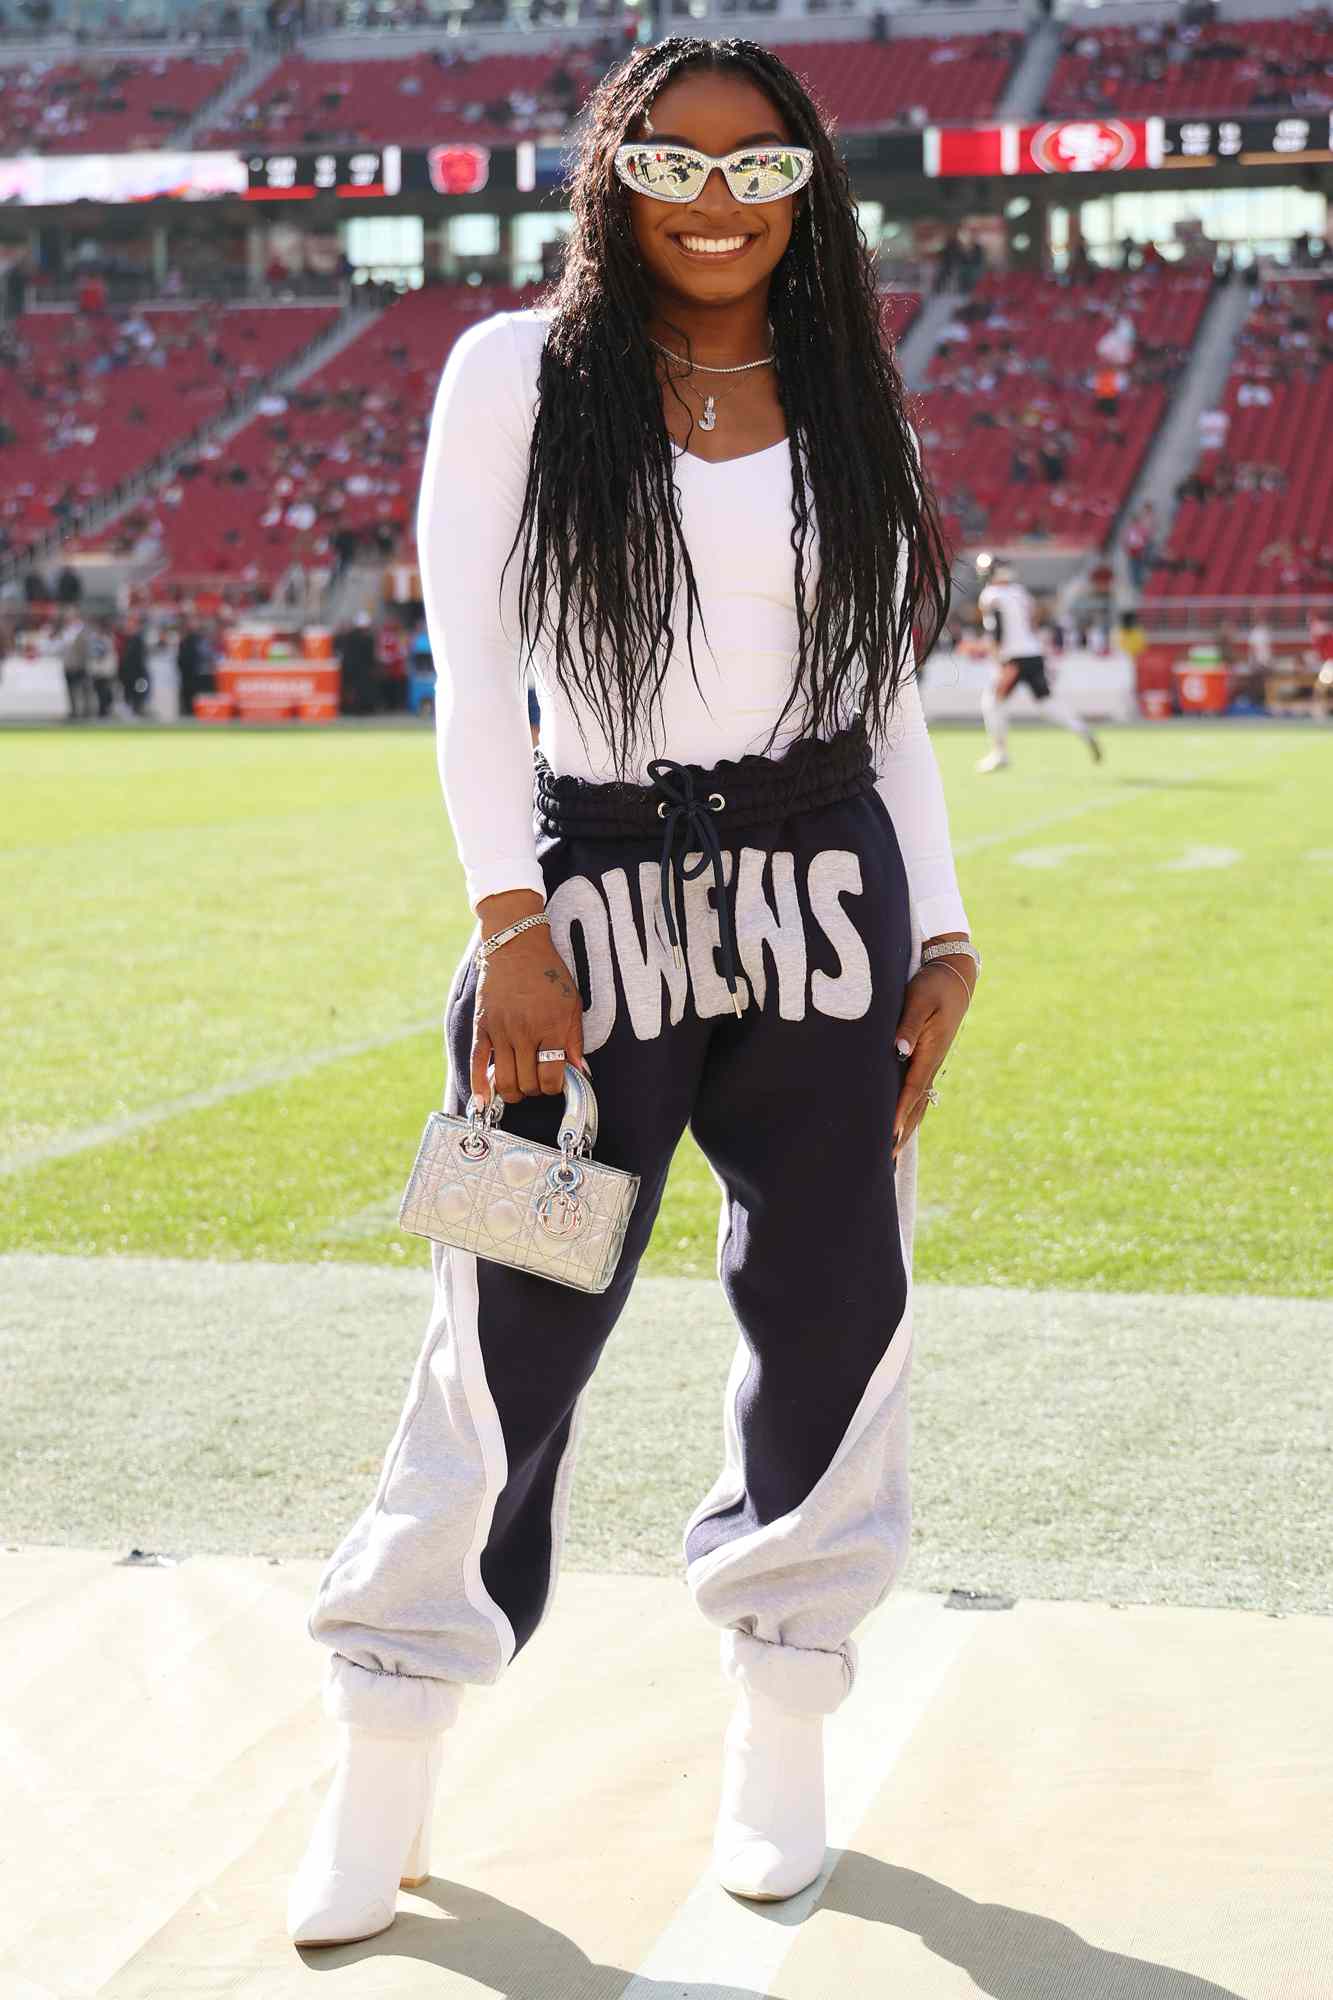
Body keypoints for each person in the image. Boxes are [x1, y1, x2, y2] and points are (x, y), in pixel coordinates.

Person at [288, 36, 979, 1952]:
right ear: (615, 169)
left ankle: (780, 1727)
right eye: (676, 161)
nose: (714, 201)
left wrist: (941, 928)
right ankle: (390, 1739)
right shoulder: (514, 370)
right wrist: (507, 922)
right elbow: (472, 660)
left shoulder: (848, 380)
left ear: (806, 193)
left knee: (834, 1305)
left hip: (824, 897)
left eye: (759, 172)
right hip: (582, 904)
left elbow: (882, 692)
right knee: (500, 1321)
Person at [974, 560, 1103, 771]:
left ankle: (999, 753)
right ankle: (1082, 729)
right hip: (1033, 653)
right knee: (1046, 703)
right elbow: (1034, 619)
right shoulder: (1020, 592)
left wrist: (998, 658)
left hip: (1013, 658)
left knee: (992, 702)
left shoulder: (991, 595)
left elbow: (997, 630)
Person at [60, 612, 93, 721]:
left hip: (79, 665)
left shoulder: (82, 632)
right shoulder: (65, 632)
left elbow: (85, 651)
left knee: (83, 689)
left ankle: (86, 711)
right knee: (71, 690)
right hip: (68, 665)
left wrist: (82, 663)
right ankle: (74, 711)